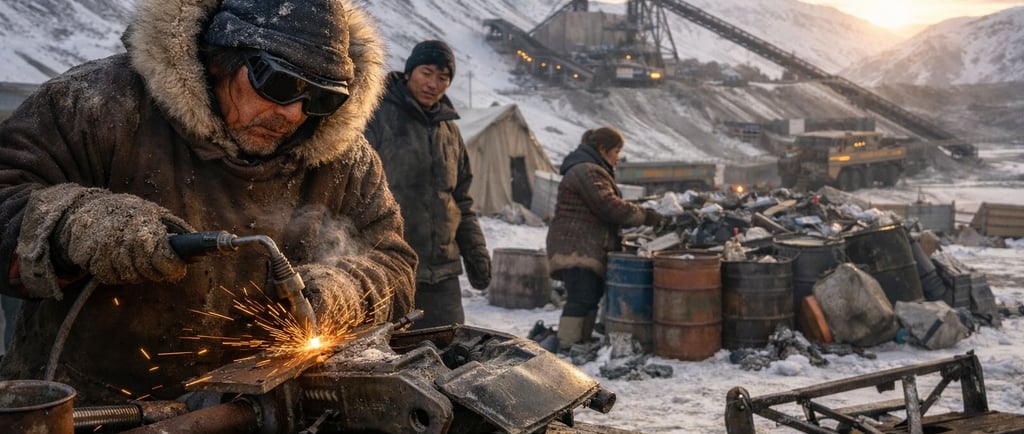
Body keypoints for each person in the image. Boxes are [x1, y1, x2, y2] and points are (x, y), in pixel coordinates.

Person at [0, 0, 416, 405]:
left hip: (265, 407)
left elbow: (393, 263)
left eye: (323, 98)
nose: (293, 113)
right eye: (279, 82)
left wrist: (345, 292)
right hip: (94, 407)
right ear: (219, 57)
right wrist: (78, 225)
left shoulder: (344, 158)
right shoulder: (99, 105)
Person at [365, 40, 491, 330]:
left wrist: (475, 251)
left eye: (443, 77)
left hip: (442, 272)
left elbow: (461, 200)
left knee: (448, 352)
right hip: (388, 267)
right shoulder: (376, 117)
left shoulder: (451, 132)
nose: (434, 84)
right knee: (389, 359)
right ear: (409, 73)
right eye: (427, 72)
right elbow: (352, 192)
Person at [546, 127, 664, 351]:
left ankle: (580, 342)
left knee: (589, 296)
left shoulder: (588, 169)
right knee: (581, 297)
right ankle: (568, 344)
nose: (618, 158)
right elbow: (609, 206)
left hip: (581, 245)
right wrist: (647, 216)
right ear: (602, 149)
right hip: (577, 247)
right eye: (616, 151)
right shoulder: (588, 171)